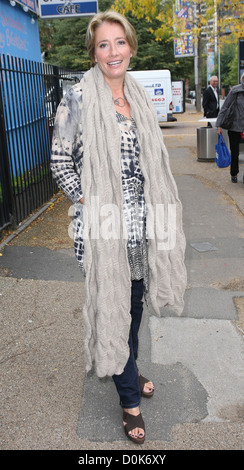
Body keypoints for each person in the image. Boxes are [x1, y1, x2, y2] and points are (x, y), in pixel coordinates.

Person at [50, 10, 186, 444]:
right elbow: (59, 161)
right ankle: (129, 400)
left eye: (120, 42)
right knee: (117, 305)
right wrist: (90, 200)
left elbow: (151, 165)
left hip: (145, 226)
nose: (113, 52)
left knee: (135, 307)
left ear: (131, 46)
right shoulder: (77, 98)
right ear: (94, 53)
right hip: (105, 230)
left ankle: (124, 359)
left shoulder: (139, 95)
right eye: (104, 45)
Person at [216, 73, 244, 183]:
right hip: (234, 127)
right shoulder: (235, 91)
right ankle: (234, 173)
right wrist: (218, 125)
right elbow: (225, 107)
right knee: (235, 152)